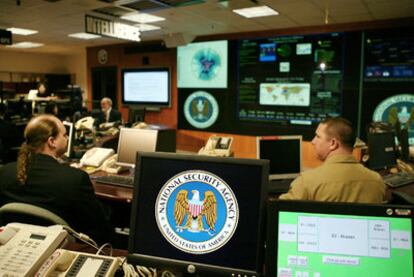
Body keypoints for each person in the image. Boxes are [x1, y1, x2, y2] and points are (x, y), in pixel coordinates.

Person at [0, 114, 113, 243]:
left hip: (16, 245)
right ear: (52, 141)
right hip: (63, 250)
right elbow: (99, 228)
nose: (68, 138)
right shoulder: (74, 179)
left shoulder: (4, 172)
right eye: (64, 135)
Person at [279, 117, 385, 203]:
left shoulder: (307, 181)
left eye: (318, 136)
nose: (313, 141)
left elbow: (278, 210)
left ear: (333, 143)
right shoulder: (377, 180)